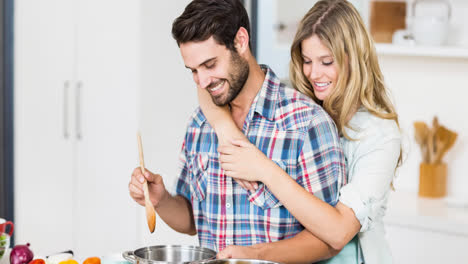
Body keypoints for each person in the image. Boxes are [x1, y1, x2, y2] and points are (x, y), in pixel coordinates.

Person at [128, 0, 346, 263]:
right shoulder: (200, 124)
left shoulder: (306, 123)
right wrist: (161, 200)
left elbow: (328, 240)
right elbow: (192, 220)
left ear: (241, 41)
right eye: (193, 71)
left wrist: (253, 256)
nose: (202, 82)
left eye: (210, 65)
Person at [198, 0, 402, 263]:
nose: (314, 74)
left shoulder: (380, 135)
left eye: (327, 62)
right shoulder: (297, 103)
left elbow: (339, 232)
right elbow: (205, 87)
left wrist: (263, 168)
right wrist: (228, 132)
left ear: (355, 59)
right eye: (307, 61)